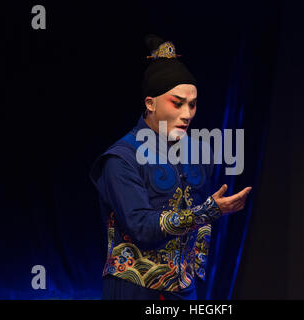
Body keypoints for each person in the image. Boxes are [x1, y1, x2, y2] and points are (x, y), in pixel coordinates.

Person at [89, 34, 252, 300]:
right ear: (150, 103)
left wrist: (193, 269)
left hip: (184, 289)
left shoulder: (198, 153)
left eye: (192, 104)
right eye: (177, 103)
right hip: (136, 289)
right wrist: (208, 211)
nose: (187, 113)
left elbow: (199, 220)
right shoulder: (122, 158)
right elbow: (142, 227)